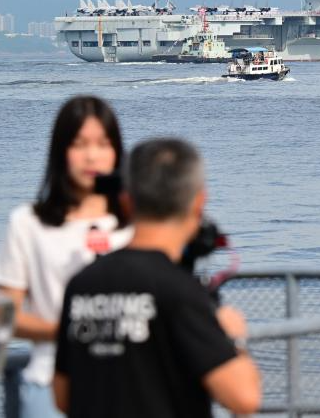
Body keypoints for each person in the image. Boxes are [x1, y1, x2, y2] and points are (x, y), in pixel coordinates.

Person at [53, 138, 261, 417]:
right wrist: (233, 338)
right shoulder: (182, 291)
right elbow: (244, 398)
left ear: (126, 201)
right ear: (199, 202)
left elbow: (62, 396)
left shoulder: (82, 284)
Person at [0, 96, 132, 418]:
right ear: (60, 151)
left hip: (128, 387)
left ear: (117, 151)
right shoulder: (28, 223)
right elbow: (5, 316)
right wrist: (67, 333)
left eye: (103, 144)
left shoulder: (136, 226)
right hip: (49, 383)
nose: (92, 155)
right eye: (79, 144)